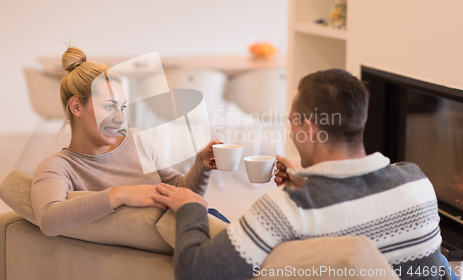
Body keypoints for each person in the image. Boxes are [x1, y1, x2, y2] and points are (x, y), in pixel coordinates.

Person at [153, 69, 450, 280]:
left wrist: (192, 205)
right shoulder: (417, 183)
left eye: (291, 122)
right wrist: (312, 185)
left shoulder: (287, 209)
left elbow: (197, 272)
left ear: (308, 129)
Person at [31, 47, 221, 236]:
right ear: (76, 106)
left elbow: (179, 192)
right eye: (109, 106)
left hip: (194, 225)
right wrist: (120, 194)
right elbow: (49, 219)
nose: (120, 118)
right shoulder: (58, 167)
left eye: (122, 107)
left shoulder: (137, 141)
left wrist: (201, 166)